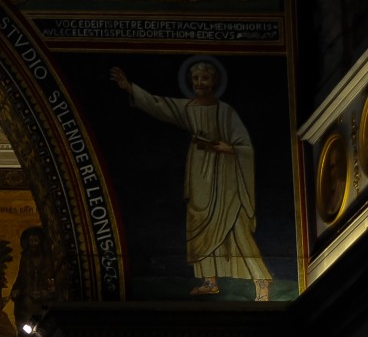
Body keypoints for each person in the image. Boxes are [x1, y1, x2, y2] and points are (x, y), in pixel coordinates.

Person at [110, 59, 273, 300]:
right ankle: (210, 281)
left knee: (235, 226)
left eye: (204, 78)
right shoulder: (188, 108)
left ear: (214, 82)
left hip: (226, 176)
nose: (199, 83)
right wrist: (130, 88)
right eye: (195, 79)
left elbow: (245, 145)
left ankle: (262, 282)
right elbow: (160, 105)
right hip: (199, 174)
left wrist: (229, 148)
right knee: (199, 223)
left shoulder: (225, 111)